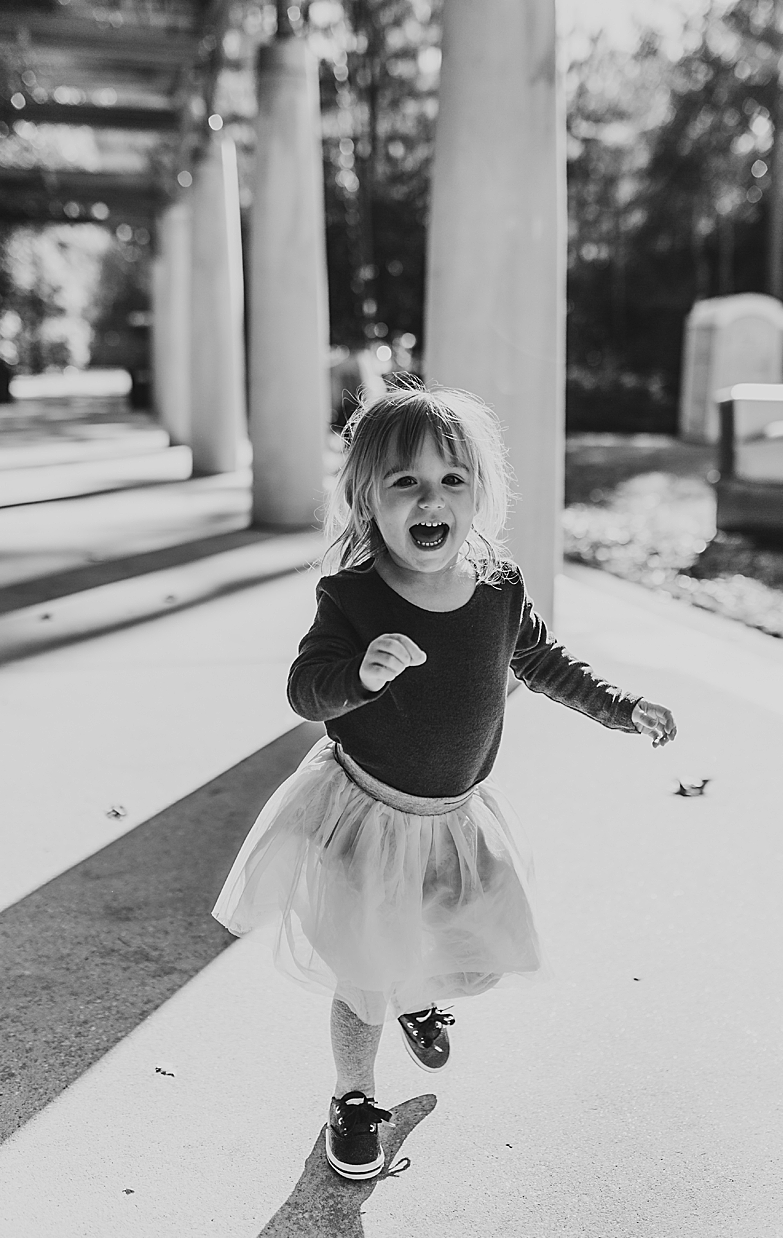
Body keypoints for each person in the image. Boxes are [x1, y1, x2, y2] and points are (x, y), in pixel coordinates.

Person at [211, 381, 677, 1183]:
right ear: (367, 500)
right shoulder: (352, 596)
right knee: (364, 972)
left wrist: (619, 707)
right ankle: (354, 1101)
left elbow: (541, 662)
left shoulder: (497, 588)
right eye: (406, 483)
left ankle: (416, 990)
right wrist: (358, 672)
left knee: (459, 929)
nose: (432, 499)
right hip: (365, 812)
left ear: (478, 495)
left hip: (454, 817)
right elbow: (305, 688)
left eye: (451, 481)